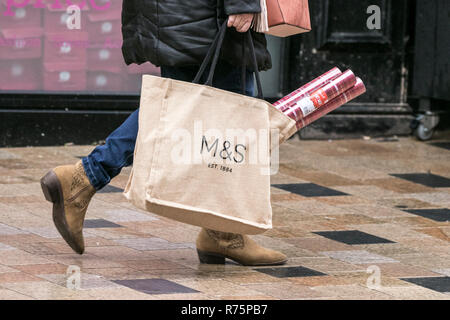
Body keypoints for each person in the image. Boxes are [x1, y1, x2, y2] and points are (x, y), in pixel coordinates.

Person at [40, 0, 287, 266]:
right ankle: (83, 177)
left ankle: (222, 231)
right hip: (203, 12)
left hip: (185, 11)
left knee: (198, 112)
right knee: (199, 109)